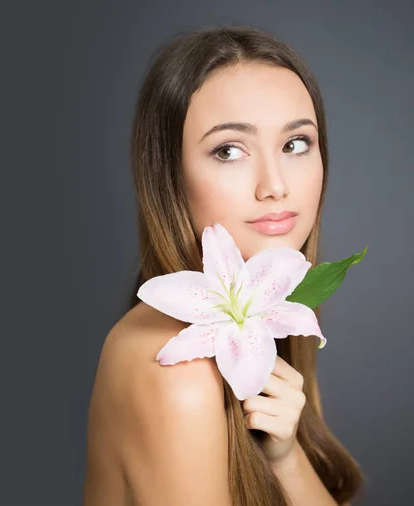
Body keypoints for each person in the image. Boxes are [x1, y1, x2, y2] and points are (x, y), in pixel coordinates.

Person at [82, 25, 365, 506]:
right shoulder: (178, 373)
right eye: (229, 150)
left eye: (296, 143)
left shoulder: (271, 322)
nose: (274, 185)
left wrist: (286, 457)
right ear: (170, 174)